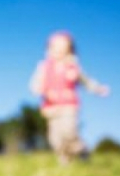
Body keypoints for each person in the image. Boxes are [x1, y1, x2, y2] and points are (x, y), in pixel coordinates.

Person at [29, 31, 110, 165]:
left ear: (70, 50)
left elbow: (86, 81)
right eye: (55, 48)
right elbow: (36, 83)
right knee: (55, 139)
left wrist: (98, 89)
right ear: (49, 49)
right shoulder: (44, 67)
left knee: (68, 132)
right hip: (51, 107)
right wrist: (39, 89)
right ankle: (65, 161)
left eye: (63, 49)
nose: (59, 52)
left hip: (69, 105)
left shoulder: (73, 67)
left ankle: (81, 149)